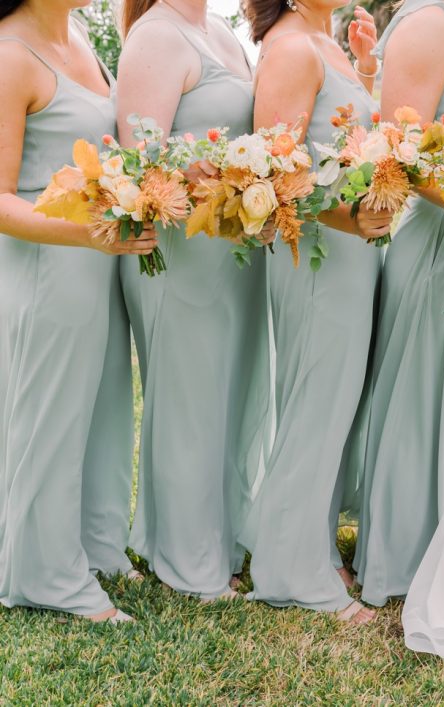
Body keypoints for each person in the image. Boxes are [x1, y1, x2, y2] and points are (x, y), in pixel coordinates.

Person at [0, 0, 157, 622]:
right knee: (52, 416)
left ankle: (94, 547)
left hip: (97, 262)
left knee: (104, 409)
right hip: (48, 264)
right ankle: (46, 576)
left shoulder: (83, 40)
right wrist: (90, 233)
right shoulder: (10, 56)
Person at [240, 0, 392, 625]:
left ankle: (315, 545)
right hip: (318, 253)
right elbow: (274, 175)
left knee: (335, 406)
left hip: (353, 253)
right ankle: (290, 571)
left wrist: (366, 69)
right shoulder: (291, 48)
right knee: (315, 402)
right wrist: (349, 218)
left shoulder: (323, 45)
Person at [117, 0, 270, 600]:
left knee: (227, 396)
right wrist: (217, 172)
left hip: (234, 249)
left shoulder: (223, 32)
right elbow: (137, 160)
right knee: (188, 401)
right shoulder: (155, 37)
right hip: (182, 250)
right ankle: (187, 562)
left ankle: (221, 536)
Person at [350, 0, 444, 609]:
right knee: (422, 398)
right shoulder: (428, 23)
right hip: (441, 242)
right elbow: (397, 155)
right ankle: (405, 554)